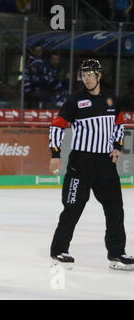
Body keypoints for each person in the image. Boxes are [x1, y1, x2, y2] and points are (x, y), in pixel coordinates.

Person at [49, 59, 134, 271]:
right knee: (72, 207)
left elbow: (119, 124)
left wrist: (117, 146)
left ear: (99, 75)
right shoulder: (75, 100)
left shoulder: (111, 99)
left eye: (89, 74)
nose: (86, 78)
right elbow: (57, 126)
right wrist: (55, 153)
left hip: (105, 163)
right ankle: (59, 250)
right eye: (83, 74)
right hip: (81, 162)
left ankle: (116, 253)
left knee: (115, 208)